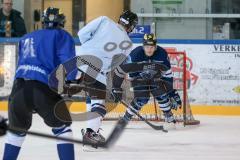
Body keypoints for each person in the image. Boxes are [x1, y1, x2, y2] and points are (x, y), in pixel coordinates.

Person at [2, 7, 75, 160]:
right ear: (61, 21)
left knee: (16, 133)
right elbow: (70, 66)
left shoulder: (26, 37)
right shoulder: (61, 35)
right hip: (41, 89)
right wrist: (73, 81)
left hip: (17, 92)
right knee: (63, 128)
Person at [75, 10, 138, 148]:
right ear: (132, 26)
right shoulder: (128, 43)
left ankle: (92, 131)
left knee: (92, 97)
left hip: (79, 60)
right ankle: (91, 134)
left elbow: (82, 34)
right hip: (97, 70)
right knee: (99, 105)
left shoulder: (104, 19)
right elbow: (115, 63)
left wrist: (89, 48)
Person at [111, 33, 182, 124]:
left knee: (162, 95)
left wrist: (172, 93)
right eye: (147, 47)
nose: (149, 49)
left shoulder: (162, 54)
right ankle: (126, 117)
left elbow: (167, 75)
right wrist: (116, 87)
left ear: (155, 46)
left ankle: (168, 115)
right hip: (138, 78)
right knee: (142, 99)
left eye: (152, 47)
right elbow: (121, 71)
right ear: (143, 46)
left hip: (155, 78)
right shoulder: (135, 55)